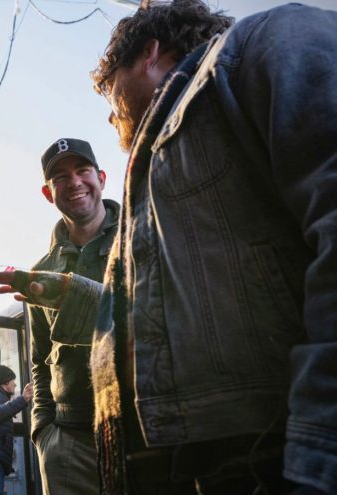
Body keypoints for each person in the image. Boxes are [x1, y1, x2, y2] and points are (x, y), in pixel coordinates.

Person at [86, 1, 336, 494]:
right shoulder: (155, 172)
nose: (113, 119)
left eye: (111, 95)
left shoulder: (268, 41)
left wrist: (319, 452)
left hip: (277, 462)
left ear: (149, 53)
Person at [0, 138, 120, 494]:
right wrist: (44, 434)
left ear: (102, 178)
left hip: (140, 434)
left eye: (82, 170)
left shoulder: (142, 239)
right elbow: (39, 362)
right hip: (69, 443)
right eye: (60, 176)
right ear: (49, 193)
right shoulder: (40, 272)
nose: (74, 181)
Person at [0, 365, 33, 495]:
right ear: (5, 382)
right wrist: (22, 400)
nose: (15, 384)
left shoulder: (1, 397)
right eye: (12, 381)